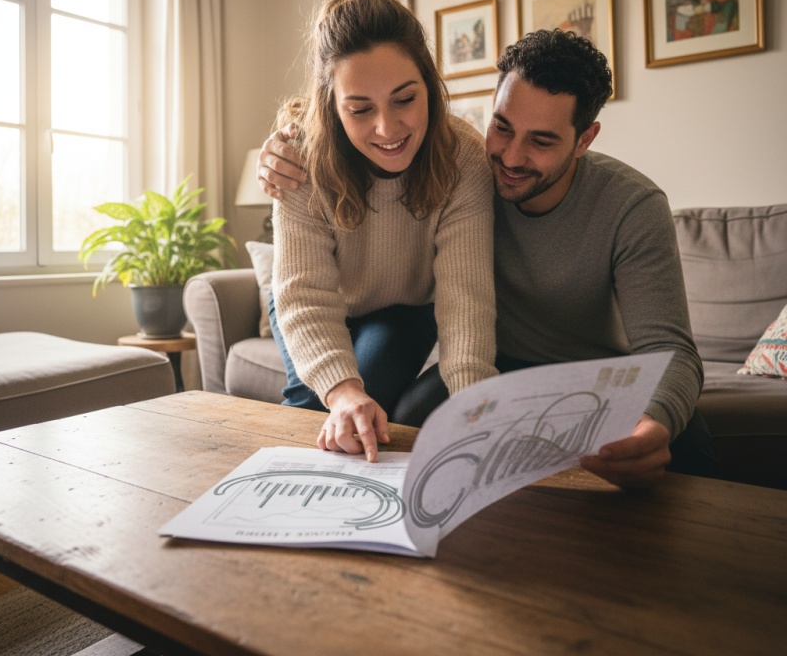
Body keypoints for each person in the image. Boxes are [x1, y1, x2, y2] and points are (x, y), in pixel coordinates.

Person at [259, 28, 717, 488]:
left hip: (600, 377)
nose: (510, 157)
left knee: (687, 447)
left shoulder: (633, 207)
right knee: (406, 419)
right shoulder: (469, 173)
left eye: (541, 141)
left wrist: (654, 423)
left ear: (584, 139)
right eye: (502, 126)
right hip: (499, 367)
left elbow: (670, 349)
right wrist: (282, 147)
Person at [268, 0, 497, 464]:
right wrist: (342, 391)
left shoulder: (465, 158)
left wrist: (477, 404)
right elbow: (305, 295)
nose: (387, 129)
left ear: (430, 86)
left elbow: (465, 297)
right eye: (360, 109)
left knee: (365, 410)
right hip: (315, 299)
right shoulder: (298, 159)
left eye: (404, 99)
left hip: (404, 307)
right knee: (318, 409)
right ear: (332, 106)